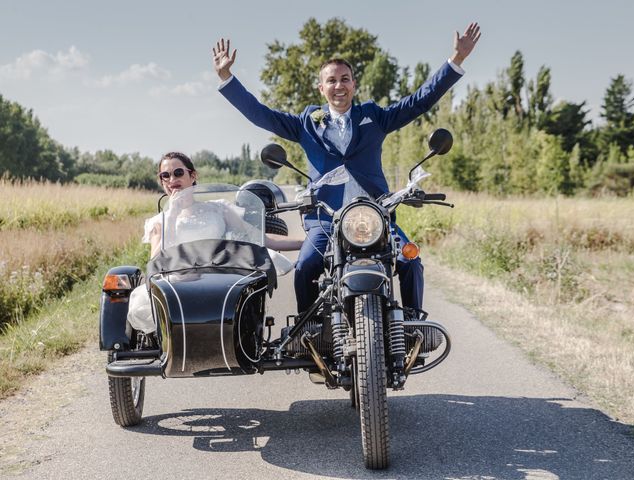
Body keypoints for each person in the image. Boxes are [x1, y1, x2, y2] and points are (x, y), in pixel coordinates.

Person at [213, 23, 481, 315]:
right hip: (325, 220)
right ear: (321, 88)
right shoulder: (307, 122)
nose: (338, 86)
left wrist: (456, 61)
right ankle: (308, 331)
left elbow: (418, 102)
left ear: (354, 84)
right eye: (331, 81)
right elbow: (261, 114)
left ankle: (413, 325)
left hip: (376, 214)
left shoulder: (374, 117)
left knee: (409, 260)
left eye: (344, 79)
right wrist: (227, 78)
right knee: (306, 266)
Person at [126, 151, 303, 340]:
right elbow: (156, 261)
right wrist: (172, 214)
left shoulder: (218, 208)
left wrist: (304, 243)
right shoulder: (159, 221)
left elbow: (258, 238)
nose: (172, 179)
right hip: (178, 280)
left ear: (192, 176)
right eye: (165, 176)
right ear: (162, 182)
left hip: (219, 275)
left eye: (178, 173)